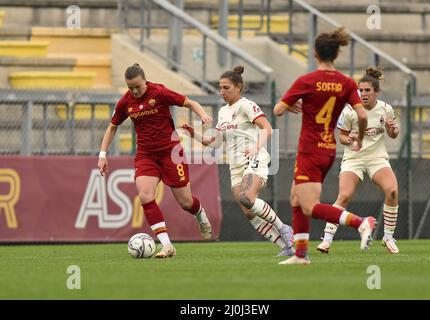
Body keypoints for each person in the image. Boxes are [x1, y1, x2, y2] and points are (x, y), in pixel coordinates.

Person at [273, 27, 376, 265]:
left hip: (309, 150)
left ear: (315, 54)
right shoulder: (347, 83)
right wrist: (359, 137)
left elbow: (278, 111)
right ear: (336, 55)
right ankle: (300, 255)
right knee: (296, 199)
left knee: (309, 205)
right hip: (328, 150)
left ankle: (361, 223)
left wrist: (291, 104)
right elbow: (361, 115)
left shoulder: (306, 81)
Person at [98, 63, 213, 258]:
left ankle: (200, 214)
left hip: (171, 152)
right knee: (144, 196)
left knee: (185, 202)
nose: (134, 91)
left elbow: (189, 102)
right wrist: (102, 155)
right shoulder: (125, 102)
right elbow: (112, 127)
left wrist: (202, 114)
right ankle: (166, 245)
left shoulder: (159, 92)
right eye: (130, 87)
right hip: (146, 155)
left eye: (137, 86)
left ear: (145, 80)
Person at [182, 66, 294, 256]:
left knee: (247, 198)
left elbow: (266, 128)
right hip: (236, 167)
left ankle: (284, 228)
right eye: (220, 87)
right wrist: (195, 135)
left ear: (238, 87)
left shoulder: (246, 105)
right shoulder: (224, 112)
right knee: (249, 212)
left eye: (226, 87)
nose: (222, 92)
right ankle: (286, 247)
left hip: (254, 158)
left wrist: (255, 147)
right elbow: (215, 142)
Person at [317, 67, 400, 254]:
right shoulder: (349, 110)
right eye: (360, 90)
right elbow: (342, 138)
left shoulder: (386, 109)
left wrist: (392, 129)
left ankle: (388, 237)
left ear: (376, 92)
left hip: (377, 158)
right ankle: (327, 239)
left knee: (392, 191)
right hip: (354, 158)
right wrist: (352, 139)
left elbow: (394, 134)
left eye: (367, 90)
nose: (362, 94)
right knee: (344, 195)